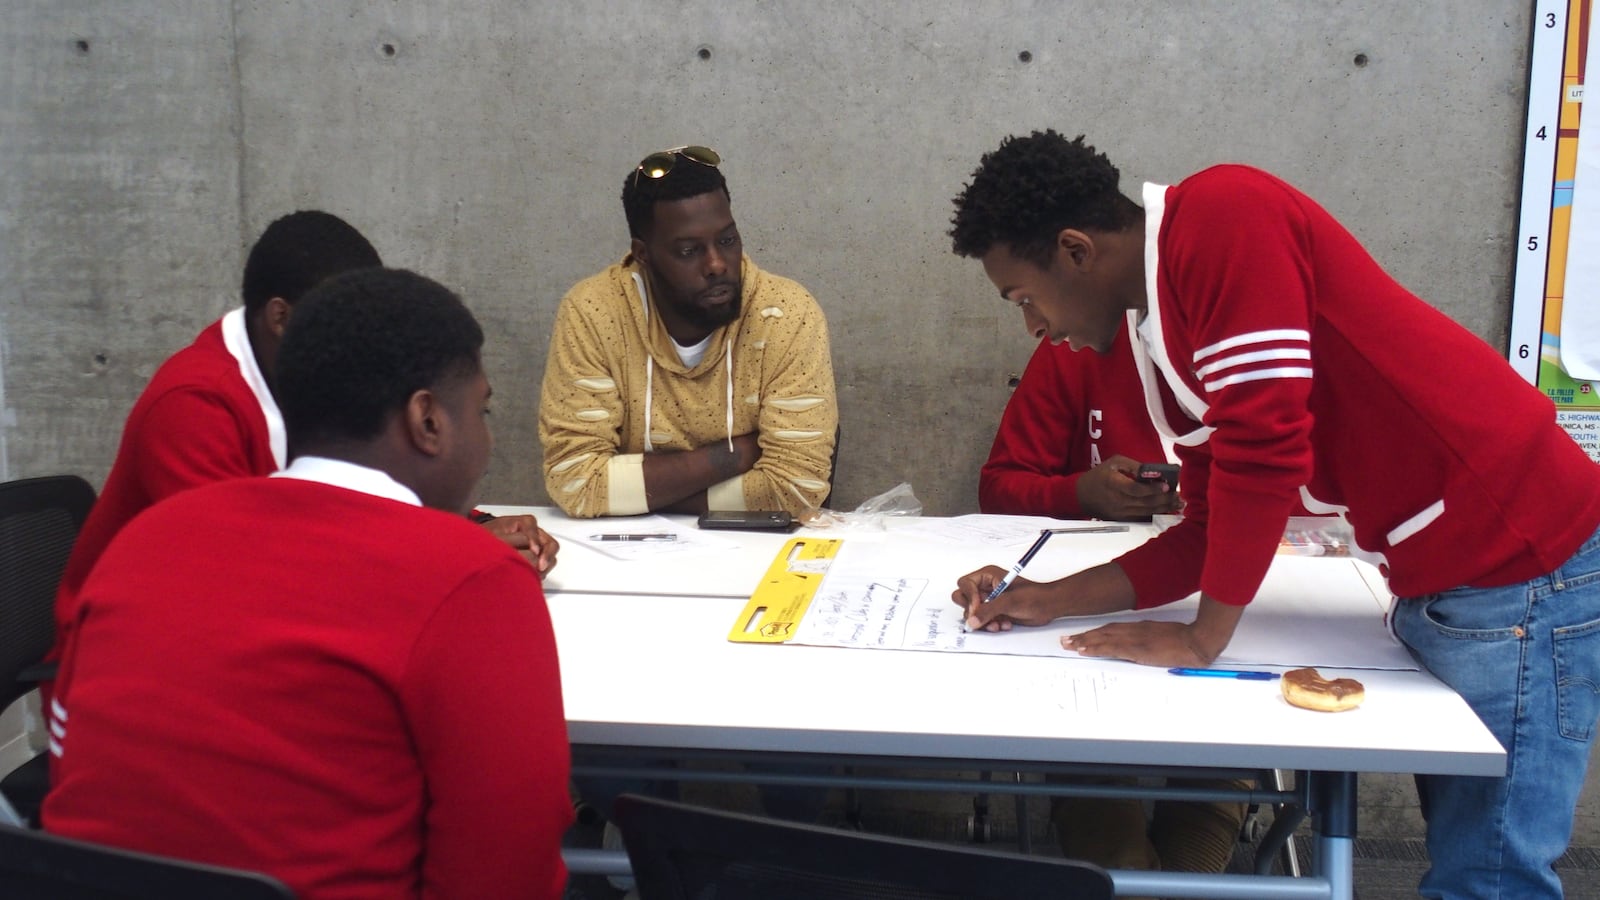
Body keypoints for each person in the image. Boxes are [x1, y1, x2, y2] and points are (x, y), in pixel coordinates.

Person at [949, 130, 1600, 898]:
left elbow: (1266, 449)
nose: (1033, 327)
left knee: (1489, 876)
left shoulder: (1225, 214)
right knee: (1475, 861)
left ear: (1076, 250)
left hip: (1526, 561)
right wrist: (1048, 600)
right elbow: (1209, 523)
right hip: (1453, 579)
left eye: (1024, 298)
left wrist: (1202, 635)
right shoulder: (1159, 329)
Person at [44, 268, 572, 900]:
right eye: (480, 411)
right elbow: (506, 876)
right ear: (427, 421)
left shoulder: (145, 539)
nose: (485, 439)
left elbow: (72, 770)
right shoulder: (473, 581)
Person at [48, 211, 557, 698]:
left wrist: (468, 529)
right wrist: (451, 553)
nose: (361, 340)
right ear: (280, 317)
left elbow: (358, 499)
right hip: (125, 671)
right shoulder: (194, 405)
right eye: (340, 318)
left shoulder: (318, 377)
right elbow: (247, 577)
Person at [981, 325, 1240, 880]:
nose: (1031, 319)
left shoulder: (1244, 350)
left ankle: (1178, 868)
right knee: (1095, 755)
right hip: (1097, 619)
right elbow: (1000, 486)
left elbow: (1274, 516)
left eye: (1026, 298)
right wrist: (1078, 493)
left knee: (1223, 747)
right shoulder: (1072, 340)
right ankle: (1126, 866)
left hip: (1235, 608)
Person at [540, 144, 837, 518]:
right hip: (626, 556)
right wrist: (737, 455)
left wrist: (640, 496)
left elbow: (796, 488)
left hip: (755, 555)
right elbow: (576, 481)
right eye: (688, 251)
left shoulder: (786, 314)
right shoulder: (593, 313)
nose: (716, 264)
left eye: (727, 241)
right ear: (643, 254)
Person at [981, 323, 1179, 521]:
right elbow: (997, 491)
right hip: (1107, 546)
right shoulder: (1076, 337)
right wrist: (1077, 495)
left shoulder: (1203, 350)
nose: (1033, 325)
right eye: (1023, 302)